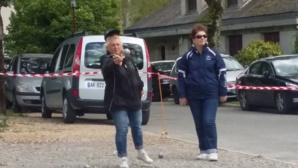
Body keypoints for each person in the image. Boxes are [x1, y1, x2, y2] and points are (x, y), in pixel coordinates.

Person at [101, 29, 153, 168]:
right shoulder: (106, 60)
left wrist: (140, 86)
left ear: (121, 45)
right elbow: (106, 71)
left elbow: (135, 75)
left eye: (118, 44)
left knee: (137, 127)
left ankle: (140, 151)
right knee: (122, 129)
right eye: (113, 45)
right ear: (108, 48)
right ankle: (123, 158)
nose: (116, 47)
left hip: (133, 98)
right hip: (117, 101)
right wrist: (115, 64)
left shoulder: (129, 59)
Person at [178, 23, 227, 161]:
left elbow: (222, 73)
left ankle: (213, 150)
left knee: (208, 121)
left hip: (211, 93)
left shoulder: (213, 54)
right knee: (199, 123)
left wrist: (222, 92)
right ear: (193, 39)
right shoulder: (187, 57)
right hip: (193, 94)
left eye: (205, 36)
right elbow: (181, 77)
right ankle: (203, 149)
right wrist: (182, 95)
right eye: (199, 36)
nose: (202, 38)